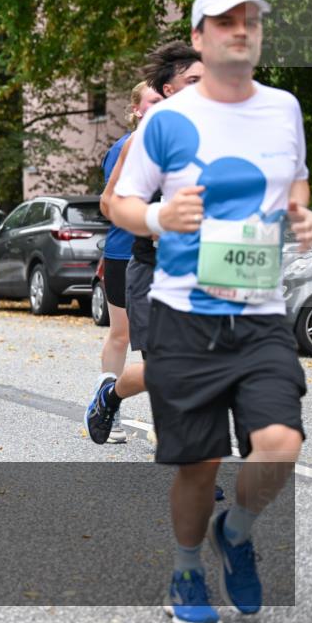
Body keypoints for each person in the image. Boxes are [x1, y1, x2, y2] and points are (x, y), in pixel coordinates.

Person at [112, 0, 312, 623]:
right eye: (223, 22)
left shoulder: (284, 108)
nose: (240, 31)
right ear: (199, 38)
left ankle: (238, 530)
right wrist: (157, 214)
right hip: (182, 313)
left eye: (250, 21)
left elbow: (294, 182)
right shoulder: (168, 120)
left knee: (280, 442)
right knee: (198, 463)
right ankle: (187, 571)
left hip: (256, 315)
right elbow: (119, 203)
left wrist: (301, 214)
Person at [86, 41, 204, 444]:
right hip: (153, 269)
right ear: (170, 90)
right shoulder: (142, 142)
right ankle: (112, 396)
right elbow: (108, 204)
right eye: (193, 80)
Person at [86, 81, 163, 444]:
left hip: (166, 256)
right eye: (152, 102)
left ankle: (168, 425)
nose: (159, 107)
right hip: (124, 252)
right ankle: (110, 407)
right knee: (122, 334)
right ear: (135, 110)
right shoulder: (124, 147)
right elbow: (116, 203)